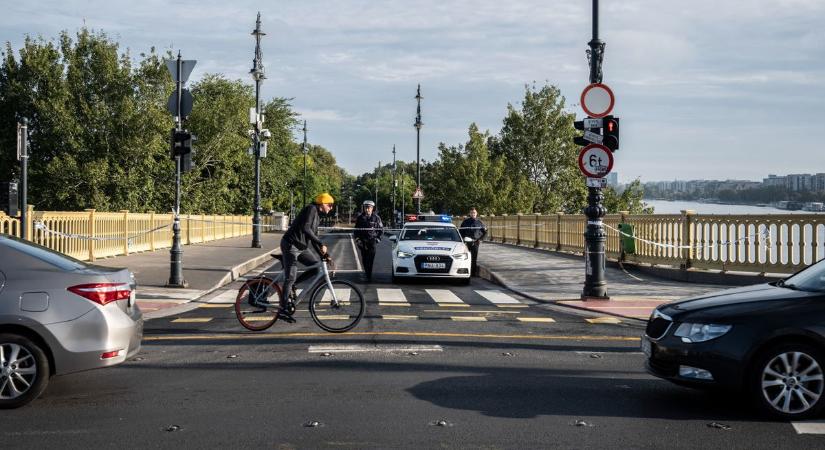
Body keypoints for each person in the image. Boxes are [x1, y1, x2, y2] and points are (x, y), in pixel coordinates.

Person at [277, 192, 334, 322]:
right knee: (290, 276)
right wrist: (321, 243)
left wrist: (324, 255)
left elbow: (312, 239)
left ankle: (293, 286)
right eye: (330, 205)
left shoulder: (317, 217)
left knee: (315, 268)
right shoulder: (311, 209)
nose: (331, 208)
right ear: (323, 203)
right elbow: (305, 228)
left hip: (301, 247)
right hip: (290, 244)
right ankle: (283, 308)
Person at [354, 200, 384, 281]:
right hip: (363, 242)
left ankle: (368, 275)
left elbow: (381, 230)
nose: (367, 209)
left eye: (369, 208)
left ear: (372, 208)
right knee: (364, 259)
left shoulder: (376, 218)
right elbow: (356, 230)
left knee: (370, 259)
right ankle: (367, 273)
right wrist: (358, 240)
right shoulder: (360, 218)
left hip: (372, 242)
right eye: (365, 208)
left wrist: (377, 239)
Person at [459, 207, 487, 276]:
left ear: (476, 213)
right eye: (471, 213)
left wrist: (480, 240)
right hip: (466, 243)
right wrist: (462, 241)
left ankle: (473, 273)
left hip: (475, 242)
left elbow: (485, 232)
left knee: (474, 258)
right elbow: (460, 232)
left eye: (474, 213)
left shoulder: (480, 222)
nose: (473, 214)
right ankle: (465, 271)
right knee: (465, 257)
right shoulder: (465, 222)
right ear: (470, 213)